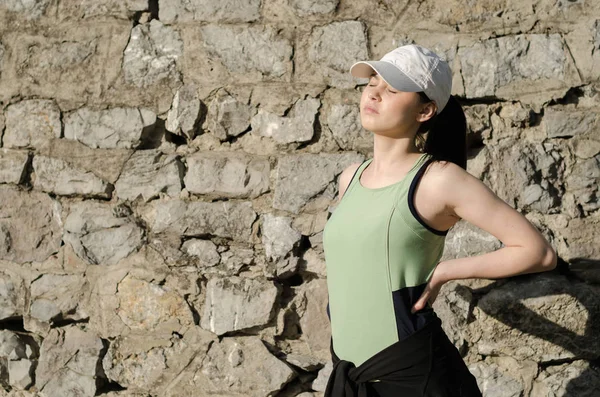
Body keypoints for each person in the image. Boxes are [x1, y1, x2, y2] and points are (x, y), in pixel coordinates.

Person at [321, 44, 558, 397]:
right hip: (351, 376)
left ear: (426, 110)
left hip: (413, 376)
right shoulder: (350, 178)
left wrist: (447, 271)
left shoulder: (438, 179)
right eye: (372, 82)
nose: (374, 93)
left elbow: (537, 252)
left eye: (393, 88)